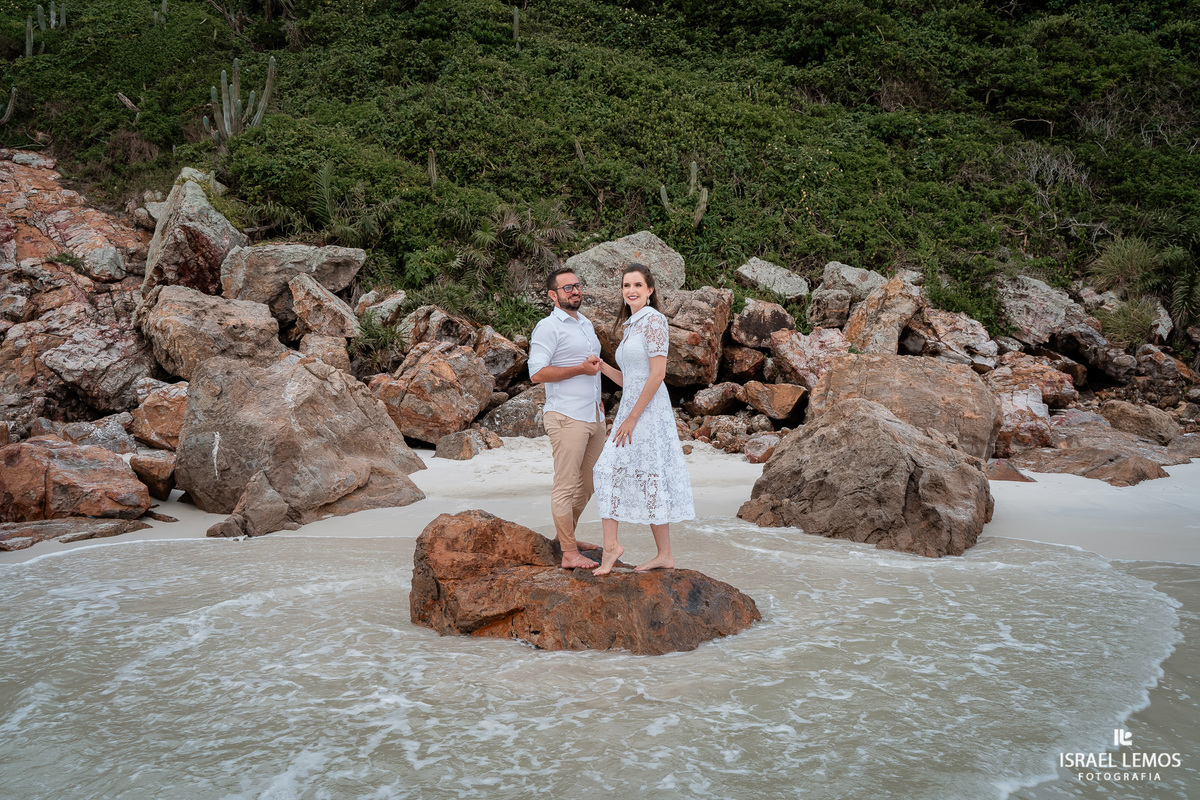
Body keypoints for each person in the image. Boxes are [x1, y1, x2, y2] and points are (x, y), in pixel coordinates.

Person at [591, 264, 695, 575]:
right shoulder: (632, 326)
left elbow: (658, 374)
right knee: (638, 474)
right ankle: (662, 554)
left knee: (612, 469)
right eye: (626, 286)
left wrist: (633, 417)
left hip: (647, 411)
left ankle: (619, 548)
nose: (631, 290)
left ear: (650, 290)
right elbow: (630, 379)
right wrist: (603, 368)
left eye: (637, 285)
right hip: (632, 406)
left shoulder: (654, 321)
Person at [528, 267, 607, 569]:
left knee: (587, 483)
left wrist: (599, 399)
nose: (575, 291)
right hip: (565, 416)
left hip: (593, 416)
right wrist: (580, 370)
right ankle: (569, 554)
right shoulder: (548, 328)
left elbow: (594, 365)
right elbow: (536, 373)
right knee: (565, 485)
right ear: (553, 295)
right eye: (567, 288)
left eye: (577, 285)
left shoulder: (585, 323)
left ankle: (567, 539)